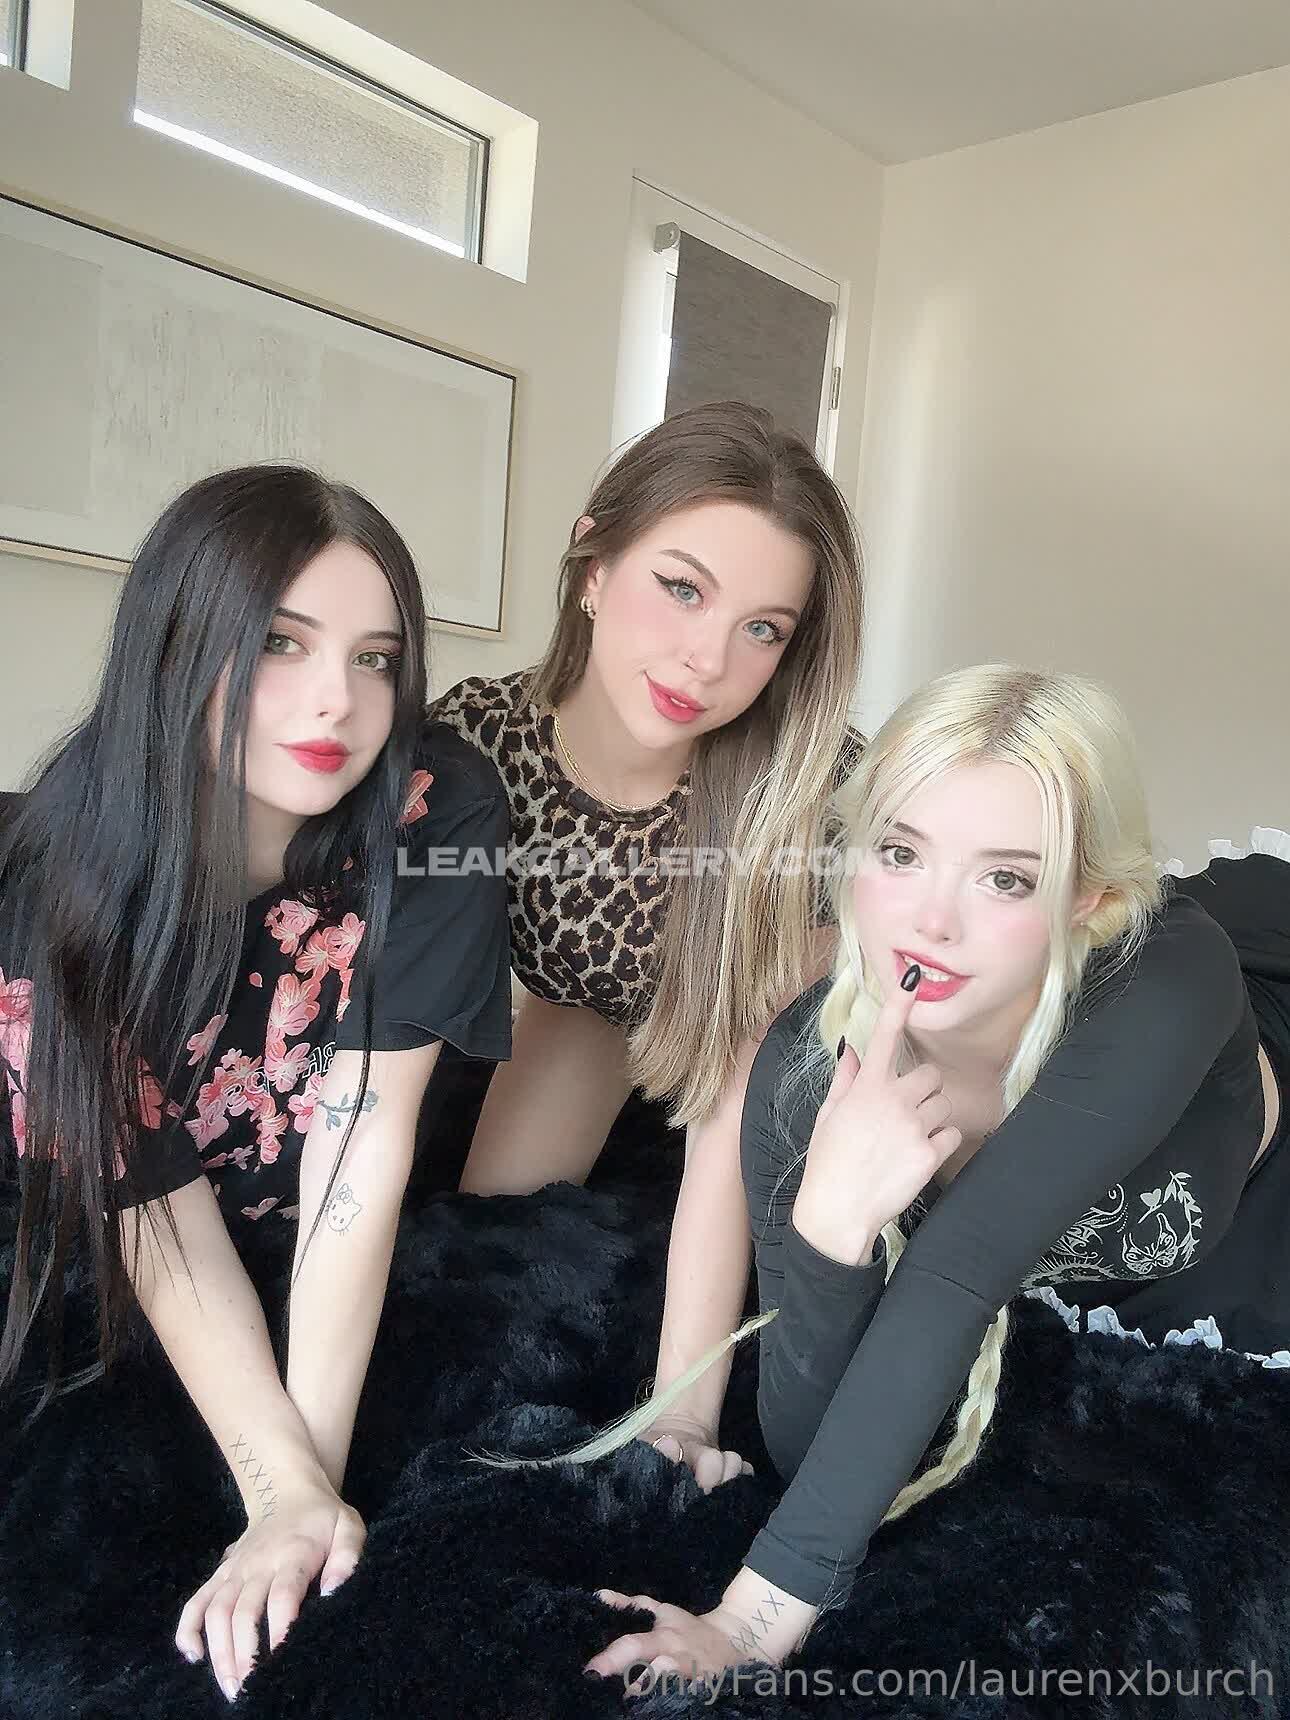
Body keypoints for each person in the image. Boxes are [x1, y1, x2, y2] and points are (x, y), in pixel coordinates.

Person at [572, 662, 1286, 1692]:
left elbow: (957, 1274)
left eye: (1007, 878)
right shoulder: (805, 1073)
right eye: (901, 854)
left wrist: (751, 1622)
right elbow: (802, 1440)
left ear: (1084, 898)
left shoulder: (1163, 976)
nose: (931, 923)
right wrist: (827, 1233)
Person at [0, 467, 511, 1702]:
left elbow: (363, 1144)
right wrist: (275, 1479)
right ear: (179, 644)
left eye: (377, 658)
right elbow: (150, 1207)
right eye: (281, 642)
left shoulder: (436, 804)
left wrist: (301, 1502)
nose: (338, 699)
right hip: (131, 1203)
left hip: (316, 1188)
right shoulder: (51, 877)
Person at [430, 401, 864, 1490]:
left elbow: (740, 1079)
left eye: (763, 629)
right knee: (481, 1248)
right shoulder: (478, 740)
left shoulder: (803, 796)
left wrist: (682, 1414)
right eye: (682, 588)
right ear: (593, 563)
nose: (707, 658)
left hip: (811, 1061)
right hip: (596, 1015)